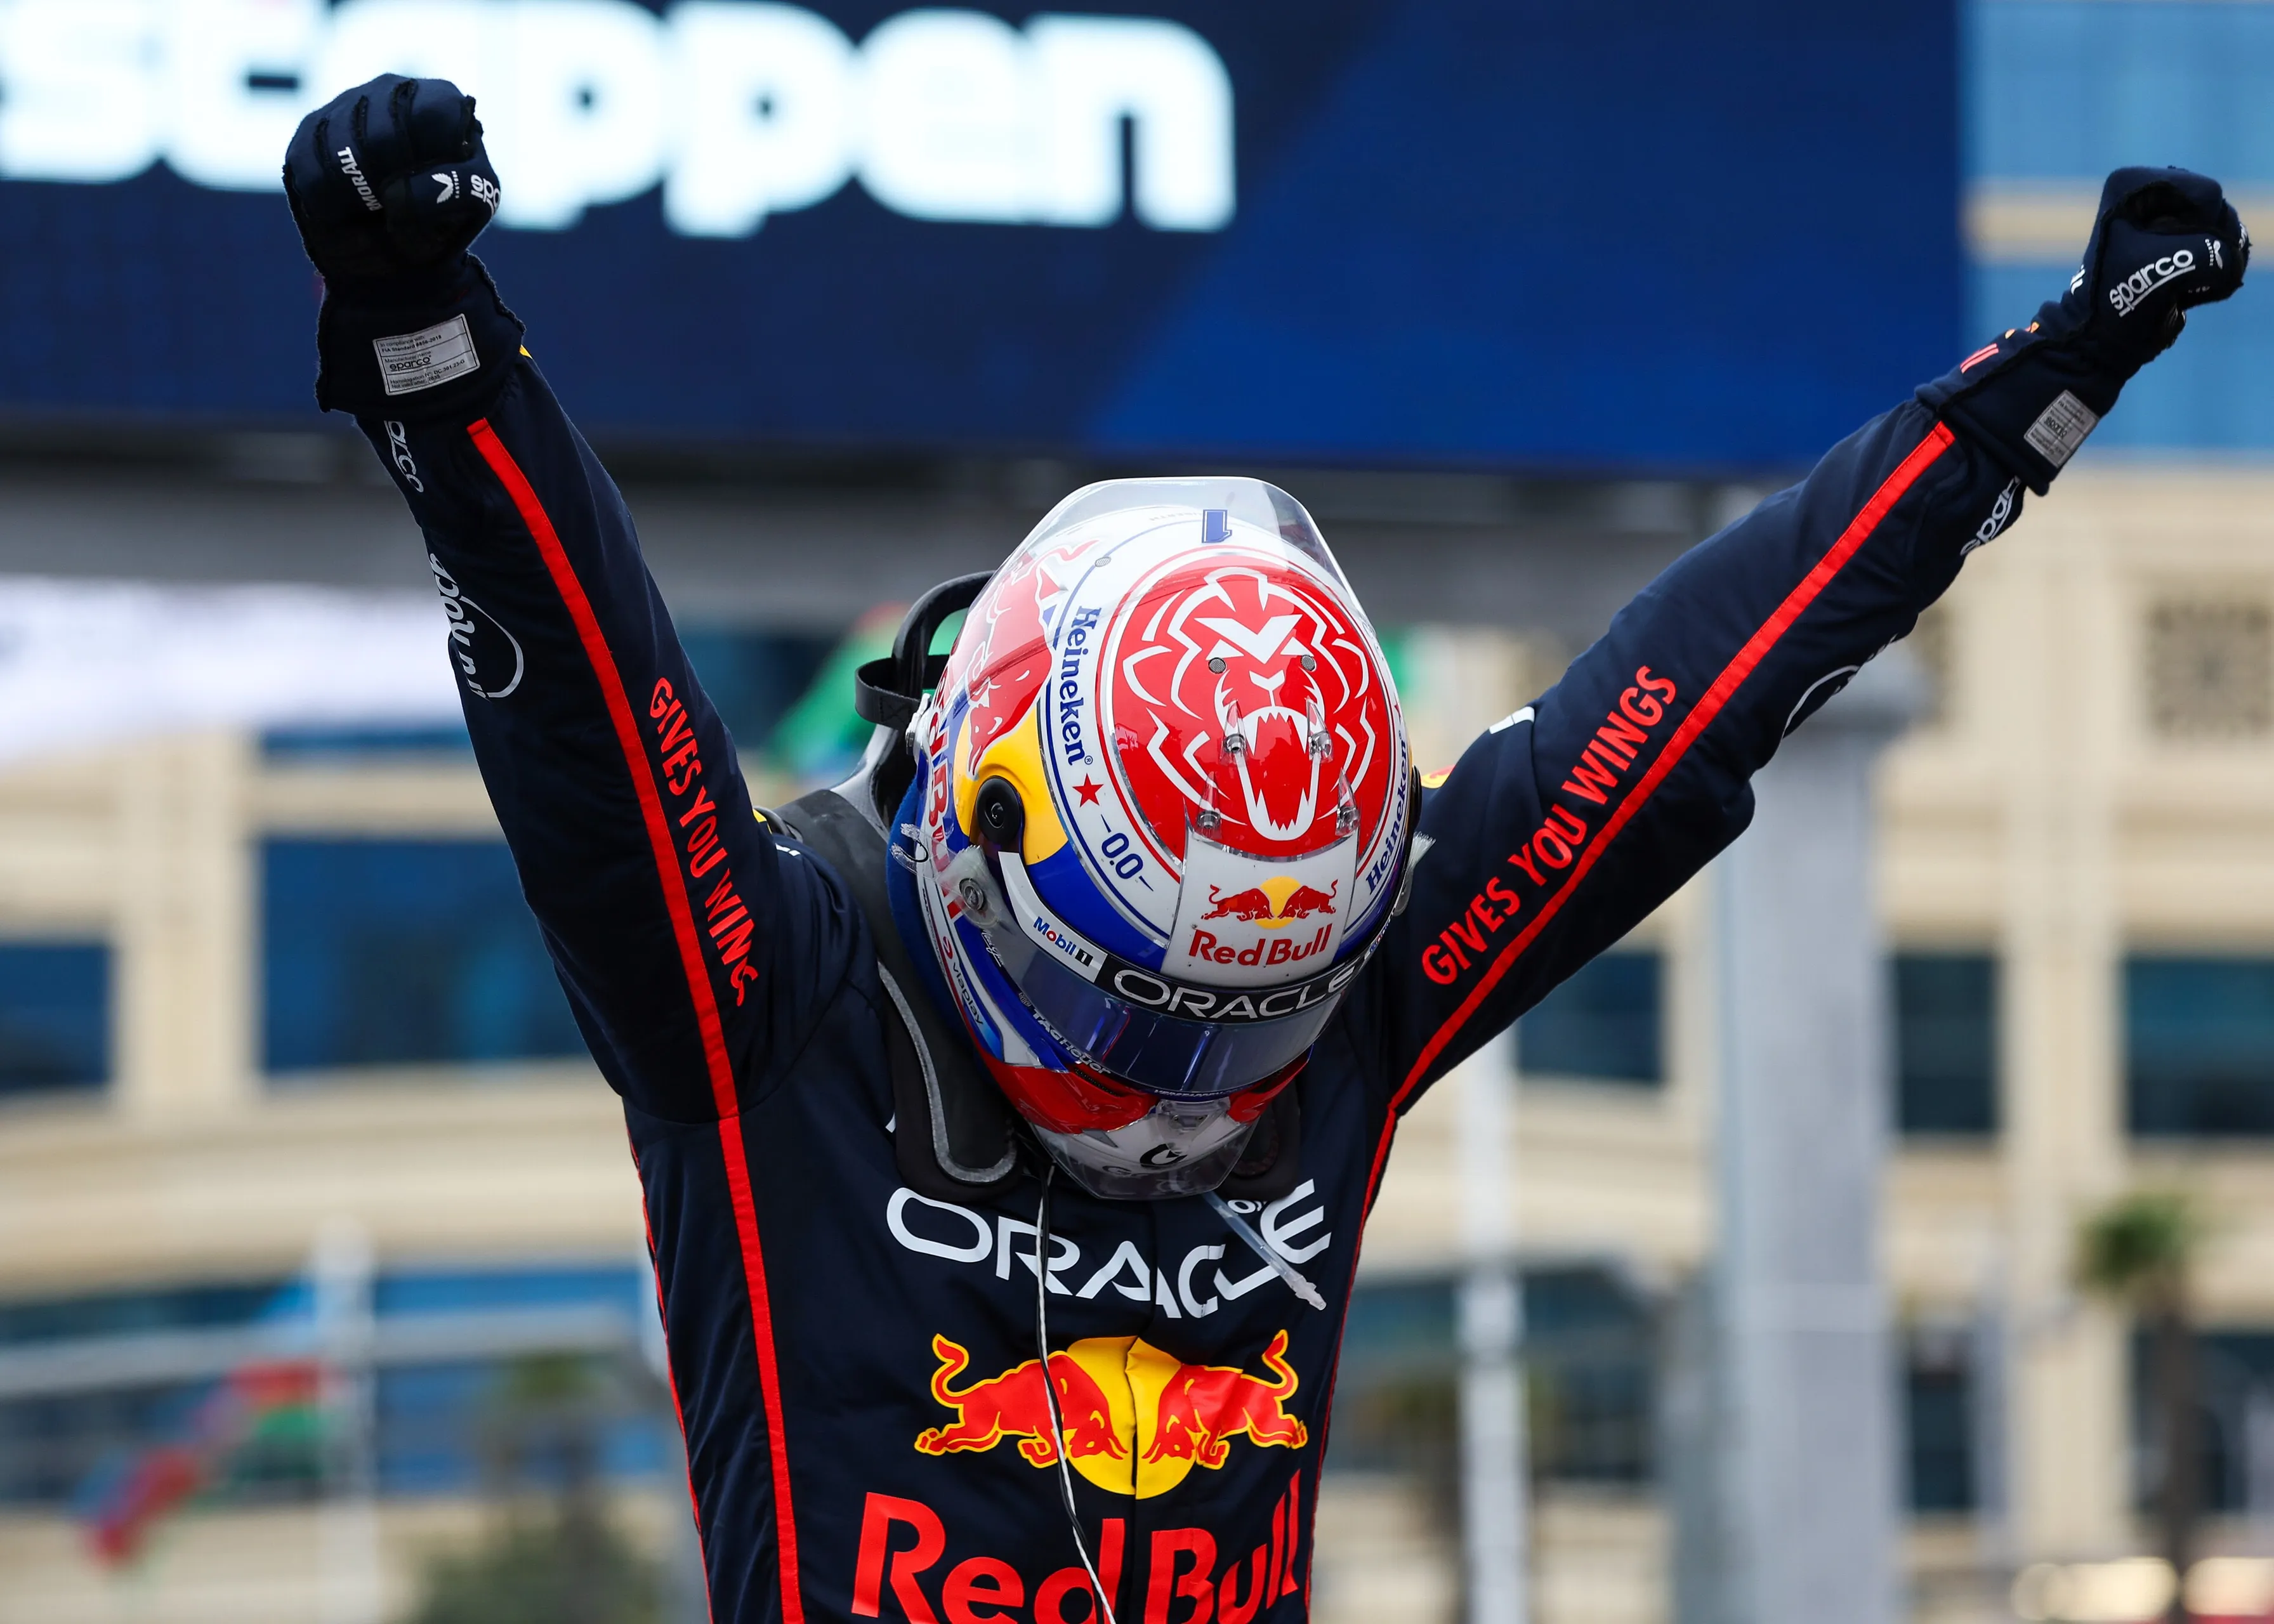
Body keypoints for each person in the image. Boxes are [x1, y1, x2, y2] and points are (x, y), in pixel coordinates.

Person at [282, 75, 2245, 1624]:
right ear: (991, 818)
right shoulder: (773, 1007)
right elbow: (593, 714)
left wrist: (2043, 384)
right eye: (1138, 1013)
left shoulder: (1369, 982)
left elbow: (1700, 690)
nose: (1175, 1100)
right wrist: (429, 336)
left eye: (1243, 1032)